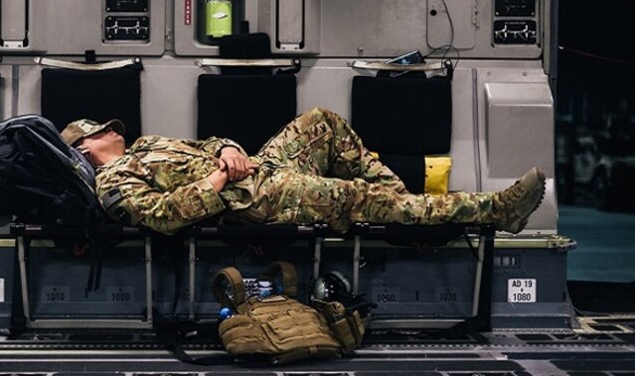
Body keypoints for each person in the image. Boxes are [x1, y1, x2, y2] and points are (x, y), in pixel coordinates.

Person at [61, 108, 546, 235]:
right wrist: (219, 179)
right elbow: (161, 215)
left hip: (257, 168)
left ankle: (399, 207)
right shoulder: (113, 182)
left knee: (322, 123)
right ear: (86, 144)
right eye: (104, 129)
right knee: (354, 195)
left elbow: (205, 143)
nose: (113, 128)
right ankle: (495, 210)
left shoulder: (147, 145)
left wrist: (228, 148)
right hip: (254, 199)